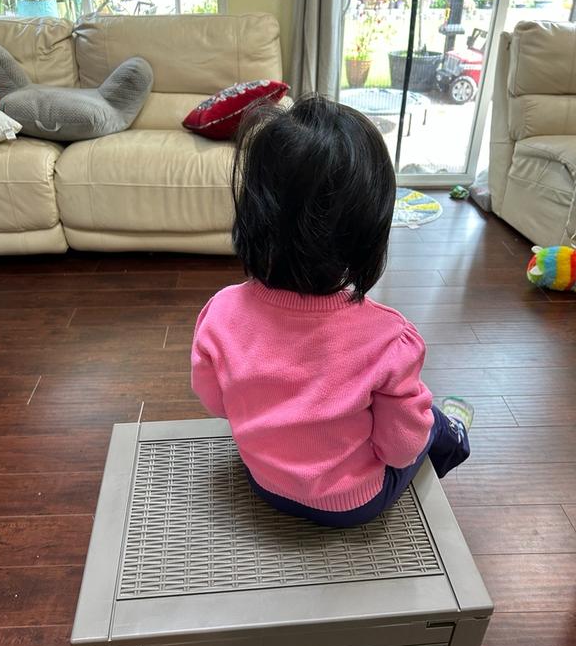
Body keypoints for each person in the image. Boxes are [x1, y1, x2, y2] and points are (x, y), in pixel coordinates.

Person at [191, 94, 472, 528]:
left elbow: (216, 403)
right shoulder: (388, 338)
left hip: (264, 481)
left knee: (409, 410)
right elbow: (399, 450)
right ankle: (455, 435)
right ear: (369, 231)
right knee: (428, 420)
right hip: (353, 503)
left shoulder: (220, 312)